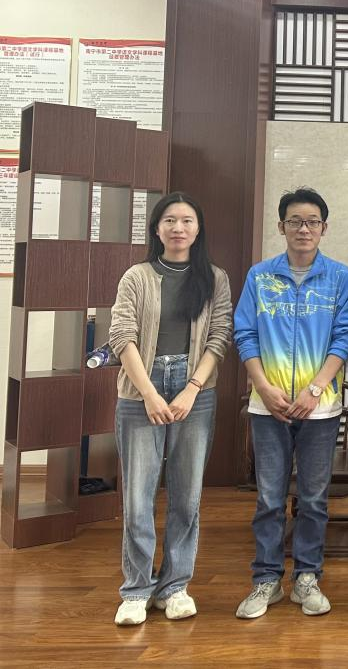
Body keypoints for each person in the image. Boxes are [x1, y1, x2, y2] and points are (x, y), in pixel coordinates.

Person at [232, 188, 348, 619]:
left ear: (324, 228)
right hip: (267, 406)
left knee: (313, 498)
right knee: (269, 498)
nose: (303, 229)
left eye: (312, 222)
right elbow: (244, 333)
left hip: (320, 408)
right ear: (281, 226)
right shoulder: (260, 277)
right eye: (295, 221)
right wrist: (263, 387)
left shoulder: (340, 277)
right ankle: (266, 580)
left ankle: (307, 577)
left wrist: (316, 388)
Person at [109, 192, 232, 626]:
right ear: (157, 229)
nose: (179, 228)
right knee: (138, 496)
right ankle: (136, 589)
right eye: (170, 220)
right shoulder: (136, 276)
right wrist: (149, 393)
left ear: (198, 229)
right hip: (140, 388)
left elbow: (219, 336)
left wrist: (191, 389)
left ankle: (175, 586)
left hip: (195, 390)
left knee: (186, 495)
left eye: (187, 221)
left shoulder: (214, 278)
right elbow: (121, 335)